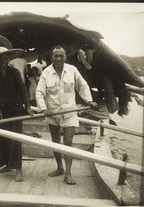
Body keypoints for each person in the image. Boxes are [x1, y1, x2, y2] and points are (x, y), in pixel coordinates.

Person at [36, 45, 98, 185]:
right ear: (51, 57)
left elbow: (83, 86)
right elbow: (39, 92)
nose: (58, 58)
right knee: (56, 141)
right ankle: (59, 167)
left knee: (68, 142)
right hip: (52, 113)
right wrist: (44, 108)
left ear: (65, 57)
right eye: (56, 55)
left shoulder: (72, 70)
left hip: (70, 112)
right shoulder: (46, 72)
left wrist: (89, 100)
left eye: (61, 55)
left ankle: (68, 173)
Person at [0, 46, 34, 182]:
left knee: (15, 139)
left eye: (6, 58)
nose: (4, 61)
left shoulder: (14, 72)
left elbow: (23, 91)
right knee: (3, 138)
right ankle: (7, 165)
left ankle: (18, 169)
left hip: (16, 109)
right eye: (2, 59)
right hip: (2, 111)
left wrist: (28, 107)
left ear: (9, 59)